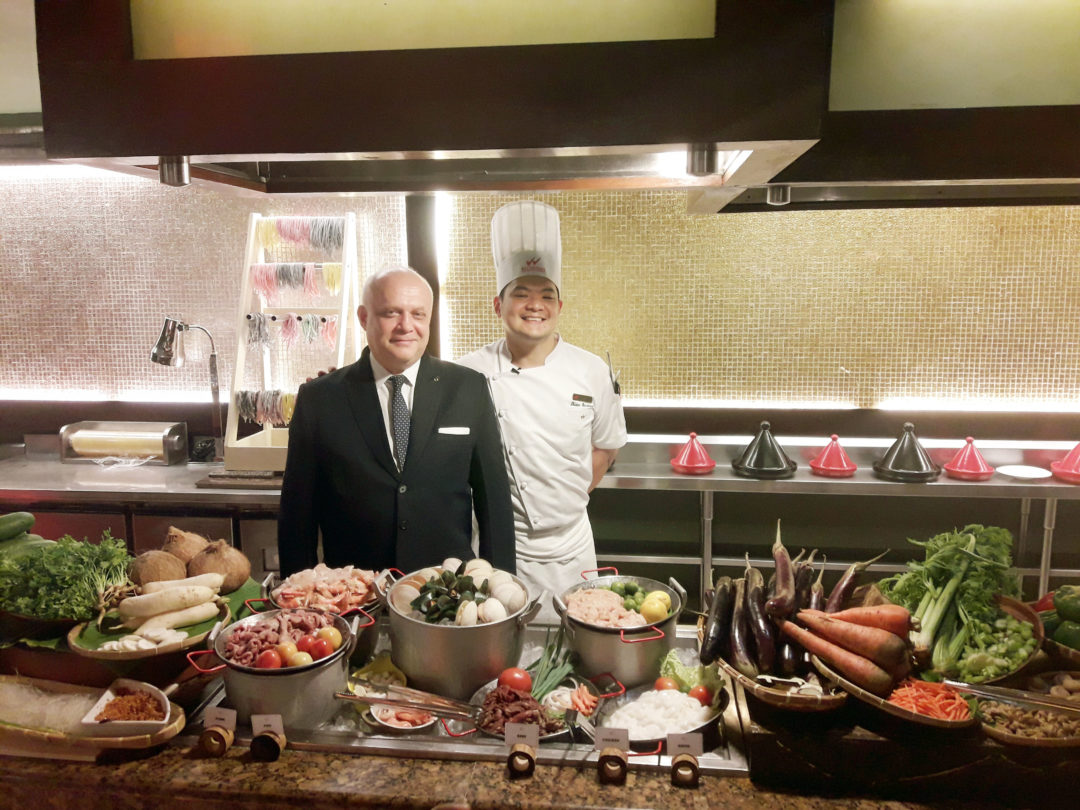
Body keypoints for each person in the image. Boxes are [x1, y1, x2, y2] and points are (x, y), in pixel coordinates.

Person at [277, 265, 515, 577]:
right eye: (392, 313)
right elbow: (297, 516)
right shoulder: (319, 399)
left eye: (418, 314)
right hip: (355, 595)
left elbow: (494, 502)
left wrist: (502, 592)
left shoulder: (468, 388)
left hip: (448, 592)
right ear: (364, 317)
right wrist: (299, 600)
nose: (407, 326)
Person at [458, 201, 626, 621]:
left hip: (571, 546)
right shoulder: (468, 372)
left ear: (559, 306)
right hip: (497, 546)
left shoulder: (591, 370)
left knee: (575, 652)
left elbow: (605, 447)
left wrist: (565, 498)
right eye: (521, 293)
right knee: (499, 656)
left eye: (546, 295)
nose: (535, 305)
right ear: (498, 306)